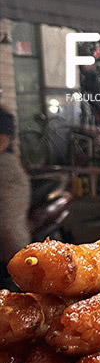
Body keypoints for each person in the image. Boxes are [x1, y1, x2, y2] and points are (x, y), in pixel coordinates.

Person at [0, 105, 31, 273]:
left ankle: (23, 274)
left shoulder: (3, 114)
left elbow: (2, 141)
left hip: (6, 178)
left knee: (7, 226)